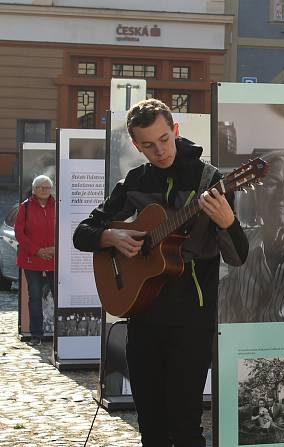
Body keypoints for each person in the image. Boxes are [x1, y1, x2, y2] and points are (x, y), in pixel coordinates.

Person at [73, 99, 249, 446]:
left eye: (164, 139)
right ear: (136, 145)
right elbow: (83, 233)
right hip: (143, 316)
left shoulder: (208, 180)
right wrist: (112, 236)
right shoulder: (133, 183)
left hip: (191, 319)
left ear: (176, 131)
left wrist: (228, 223)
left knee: (185, 426)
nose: (159, 150)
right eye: (148, 145)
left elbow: (238, 256)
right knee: (151, 425)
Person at [218, 149, 284, 323]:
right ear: (256, 195)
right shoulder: (242, 243)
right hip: (249, 347)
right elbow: (227, 314)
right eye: (273, 184)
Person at [15, 174, 56, 346]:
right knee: (35, 297)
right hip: (32, 259)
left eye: (48, 187)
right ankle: (36, 335)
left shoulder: (58, 206)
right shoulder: (25, 208)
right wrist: (37, 251)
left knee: (59, 297)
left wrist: (55, 248)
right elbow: (19, 233)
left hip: (54, 258)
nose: (46, 190)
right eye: (42, 187)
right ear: (35, 189)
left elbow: (65, 228)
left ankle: (61, 334)